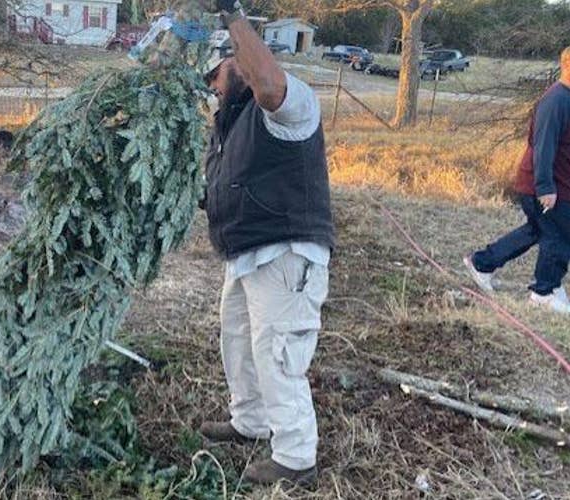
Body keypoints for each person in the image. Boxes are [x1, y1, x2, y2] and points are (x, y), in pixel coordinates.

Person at [197, 0, 334, 488]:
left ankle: (296, 456)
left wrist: (231, 15)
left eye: (217, 74)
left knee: (277, 351)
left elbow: (269, 84)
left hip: (286, 253)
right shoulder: (229, 124)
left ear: (240, 61)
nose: (213, 85)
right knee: (237, 340)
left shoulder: (287, 106)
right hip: (244, 255)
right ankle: (249, 420)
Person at [464, 46, 570, 313]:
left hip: (557, 184)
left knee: (538, 230)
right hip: (544, 184)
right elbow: (543, 145)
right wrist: (545, 187)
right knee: (558, 236)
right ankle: (544, 292)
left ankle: (482, 263)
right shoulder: (556, 100)